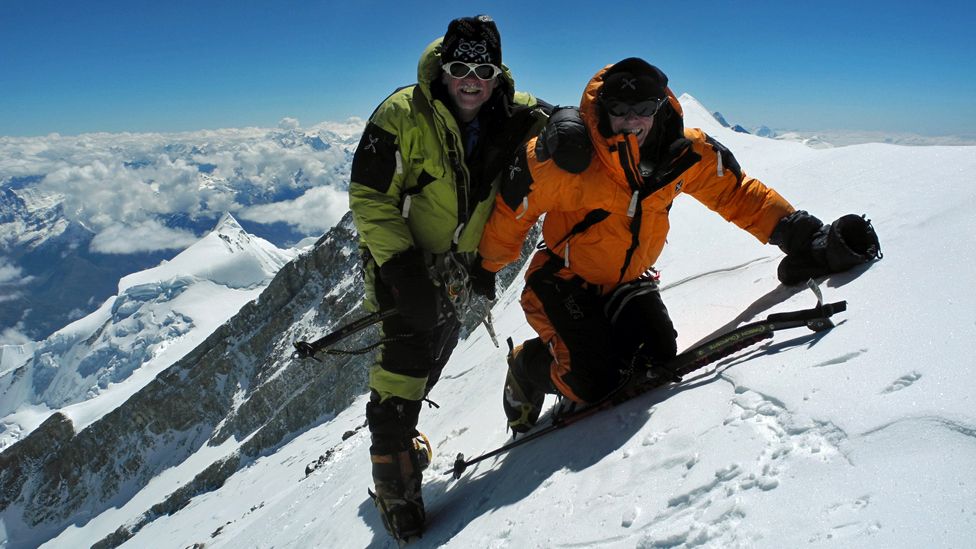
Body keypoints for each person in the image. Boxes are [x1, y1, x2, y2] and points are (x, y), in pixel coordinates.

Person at [477, 57, 881, 434]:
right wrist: (487, 267)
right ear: (603, 109)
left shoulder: (684, 155)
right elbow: (514, 210)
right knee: (592, 381)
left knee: (658, 354)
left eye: (644, 110)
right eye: (620, 110)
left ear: (659, 107)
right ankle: (526, 366)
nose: (632, 122)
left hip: (627, 279)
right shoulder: (567, 160)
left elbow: (738, 195)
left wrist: (801, 235)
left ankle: (600, 339)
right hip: (563, 279)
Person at [347, 15, 549, 541]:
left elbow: (562, 124)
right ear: (443, 67)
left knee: (434, 349)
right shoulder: (400, 114)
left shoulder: (517, 113)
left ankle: (402, 454)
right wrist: (399, 268)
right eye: (459, 66)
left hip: (462, 267)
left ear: (497, 72)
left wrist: (569, 127)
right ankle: (396, 488)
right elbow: (369, 196)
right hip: (404, 265)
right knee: (405, 360)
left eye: (483, 68)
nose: (470, 79)